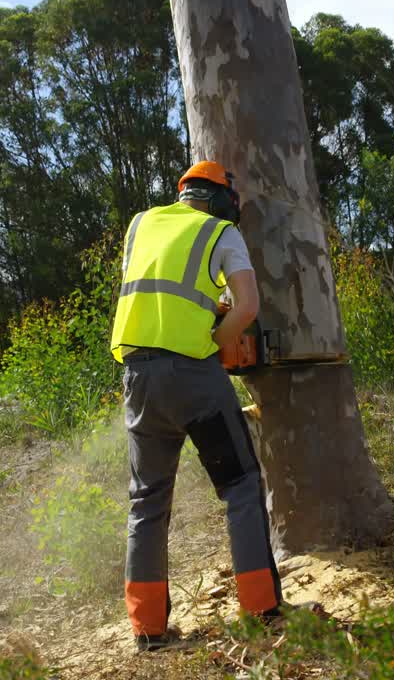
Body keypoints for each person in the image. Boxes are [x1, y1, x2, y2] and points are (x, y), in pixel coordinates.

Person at [109, 160, 283, 651]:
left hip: (138, 375)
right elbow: (245, 307)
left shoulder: (141, 223)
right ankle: (262, 609)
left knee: (146, 500)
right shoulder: (221, 232)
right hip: (195, 376)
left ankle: (147, 631)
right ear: (221, 198)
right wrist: (218, 341)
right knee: (241, 486)